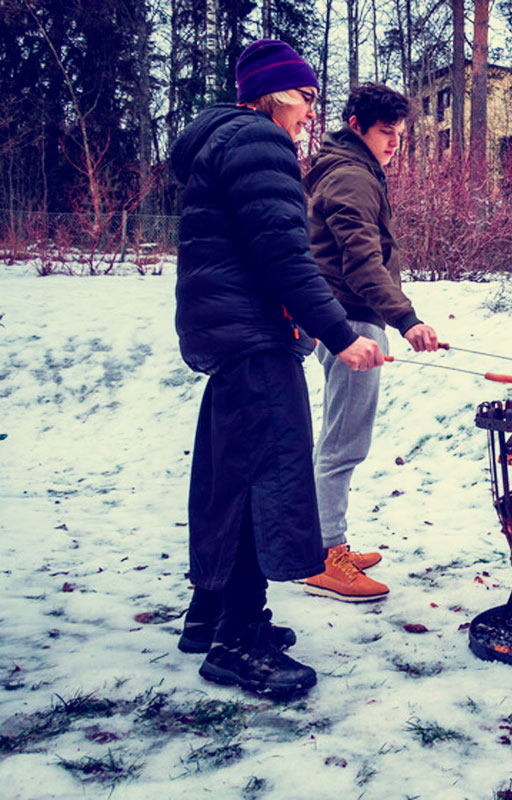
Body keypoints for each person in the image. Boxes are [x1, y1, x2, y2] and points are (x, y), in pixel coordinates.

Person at [171, 39, 385, 698]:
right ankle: (241, 639)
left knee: (227, 478)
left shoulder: (218, 141)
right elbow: (285, 257)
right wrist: (339, 334)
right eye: (306, 98)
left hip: (228, 334)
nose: (309, 115)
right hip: (255, 339)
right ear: (278, 94)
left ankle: (208, 616)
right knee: (263, 483)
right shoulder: (260, 143)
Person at [302, 83, 439, 602]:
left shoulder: (350, 169)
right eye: (387, 132)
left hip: (347, 317)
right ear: (357, 124)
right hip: (350, 320)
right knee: (343, 442)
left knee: (340, 438)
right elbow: (362, 261)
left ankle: (325, 541)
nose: (394, 143)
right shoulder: (352, 177)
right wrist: (406, 319)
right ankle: (323, 555)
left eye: (400, 135)